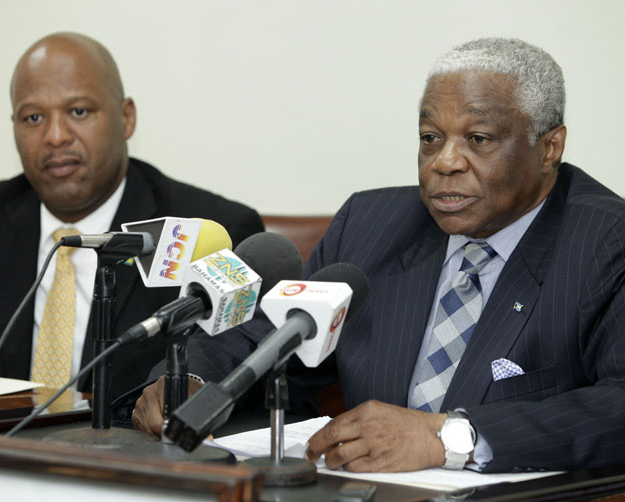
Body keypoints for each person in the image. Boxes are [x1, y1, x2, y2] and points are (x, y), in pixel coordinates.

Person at [130, 38, 625, 473]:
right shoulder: (372, 224)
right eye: (431, 138)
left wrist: (446, 438)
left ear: (549, 147)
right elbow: (269, 334)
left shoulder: (604, 241)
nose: (445, 163)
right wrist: (188, 379)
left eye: (478, 139)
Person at [0, 32, 264, 399]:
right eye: (33, 117)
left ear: (126, 118)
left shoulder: (212, 232)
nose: (55, 136)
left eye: (78, 112)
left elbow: (239, 380)